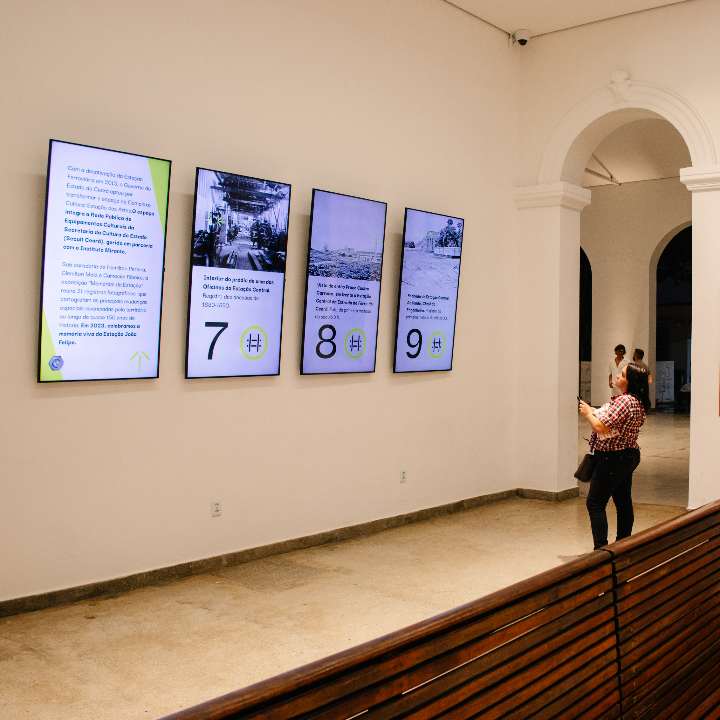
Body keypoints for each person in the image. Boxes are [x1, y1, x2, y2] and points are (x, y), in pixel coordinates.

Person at [579, 362, 651, 550]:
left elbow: (600, 427)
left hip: (612, 458)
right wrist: (592, 412)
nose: (618, 375)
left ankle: (601, 551)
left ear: (631, 382)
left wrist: (587, 413)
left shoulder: (624, 401)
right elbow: (607, 421)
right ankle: (623, 546)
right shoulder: (637, 401)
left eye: (623, 375)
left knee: (595, 503)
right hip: (628, 456)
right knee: (623, 502)